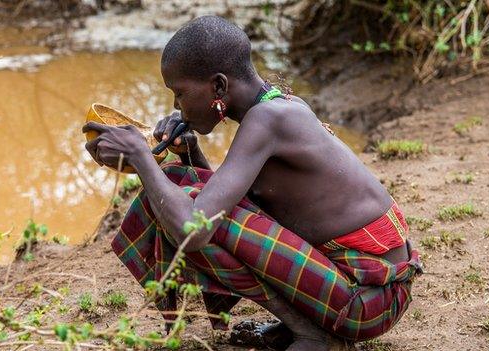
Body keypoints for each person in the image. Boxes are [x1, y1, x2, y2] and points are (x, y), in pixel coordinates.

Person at [82, 15, 421, 351]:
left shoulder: (267, 120)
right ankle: (305, 328)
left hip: (369, 300)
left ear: (218, 87)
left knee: (180, 199)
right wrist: (190, 153)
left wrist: (141, 158)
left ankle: (314, 335)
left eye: (179, 93)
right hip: (368, 287)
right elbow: (237, 207)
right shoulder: (276, 108)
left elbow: (195, 229)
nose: (176, 107)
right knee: (180, 181)